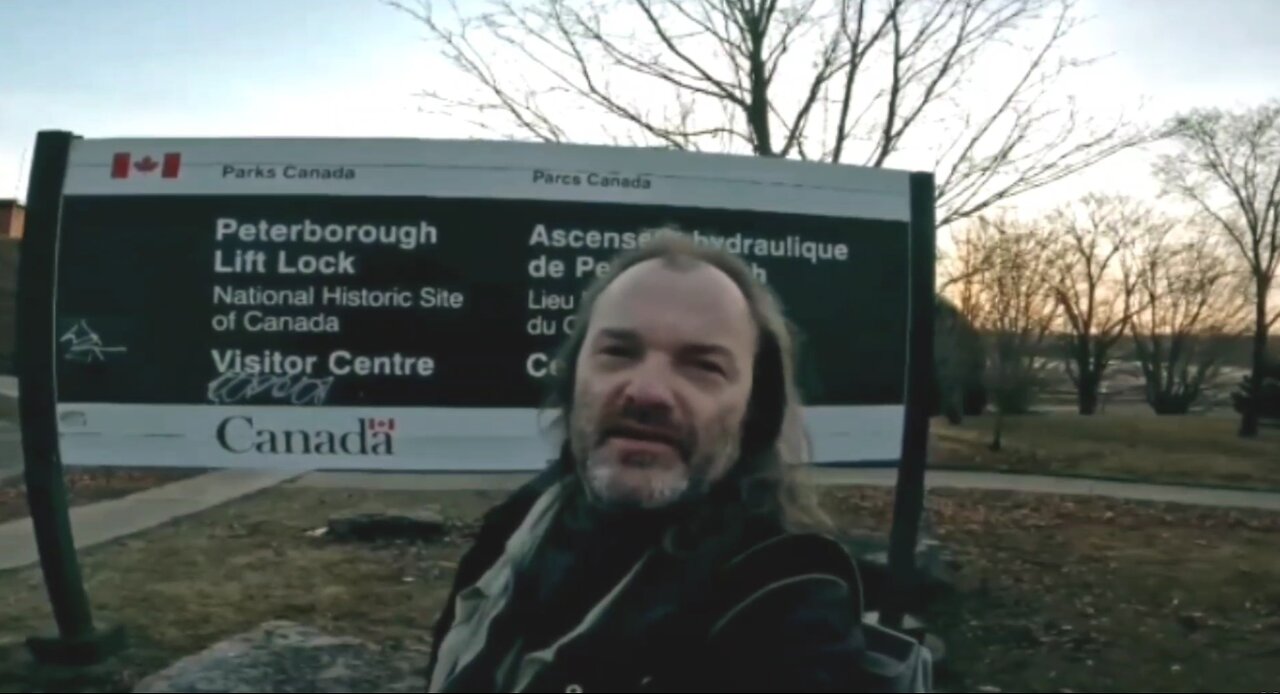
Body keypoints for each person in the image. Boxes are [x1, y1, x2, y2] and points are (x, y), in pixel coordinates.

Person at [426, 229, 872, 693]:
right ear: (574, 376)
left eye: (702, 366)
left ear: (755, 411)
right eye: (618, 352)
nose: (647, 392)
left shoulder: (786, 602)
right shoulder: (517, 529)